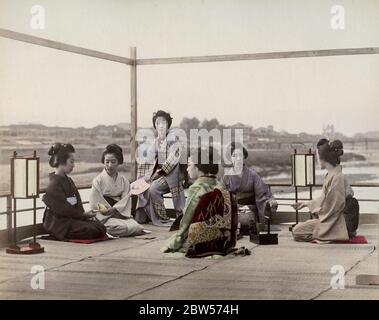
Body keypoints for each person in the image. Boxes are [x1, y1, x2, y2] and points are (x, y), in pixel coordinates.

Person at [161, 147, 237, 257]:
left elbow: (187, 219)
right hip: (223, 240)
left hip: (200, 241)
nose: (187, 169)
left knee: (169, 243)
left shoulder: (196, 188)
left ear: (198, 167)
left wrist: (177, 241)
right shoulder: (220, 186)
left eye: (189, 164)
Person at [292, 139, 352, 243]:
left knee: (297, 231)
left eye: (318, 157)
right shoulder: (332, 174)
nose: (317, 160)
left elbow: (333, 207)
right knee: (298, 229)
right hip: (329, 218)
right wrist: (306, 204)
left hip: (335, 221)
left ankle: (336, 234)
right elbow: (325, 200)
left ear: (324, 158)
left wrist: (317, 210)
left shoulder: (337, 177)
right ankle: (327, 234)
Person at [42, 143, 106, 241]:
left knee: (100, 227)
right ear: (62, 161)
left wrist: (84, 215)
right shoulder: (54, 184)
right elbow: (63, 209)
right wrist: (83, 215)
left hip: (71, 219)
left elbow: (77, 203)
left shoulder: (69, 180)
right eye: (71, 162)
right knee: (89, 230)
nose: (74, 165)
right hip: (59, 223)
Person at [135, 110, 186, 226]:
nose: (161, 126)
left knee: (154, 188)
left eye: (164, 122)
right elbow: (148, 160)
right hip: (161, 175)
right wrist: (143, 177)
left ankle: (179, 216)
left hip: (174, 174)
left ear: (168, 125)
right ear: (155, 126)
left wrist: (155, 176)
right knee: (145, 187)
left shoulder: (174, 140)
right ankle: (160, 217)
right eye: (158, 123)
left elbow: (172, 162)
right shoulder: (156, 142)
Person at [89, 144, 146, 237]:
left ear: (119, 162)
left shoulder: (124, 181)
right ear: (103, 161)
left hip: (120, 214)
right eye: (107, 162)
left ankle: (107, 230)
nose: (110, 165)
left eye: (113, 162)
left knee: (138, 227)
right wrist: (108, 211)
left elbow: (125, 200)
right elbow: (95, 201)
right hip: (105, 216)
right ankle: (105, 229)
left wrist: (115, 209)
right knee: (117, 228)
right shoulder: (97, 180)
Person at [222, 142, 278, 234]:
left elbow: (262, 193)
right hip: (233, 209)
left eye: (240, 155)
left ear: (244, 157)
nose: (238, 158)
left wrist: (270, 200)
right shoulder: (226, 176)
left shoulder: (252, 175)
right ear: (230, 158)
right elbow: (223, 197)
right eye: (234, 155)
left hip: (250, 208)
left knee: (247, 218)